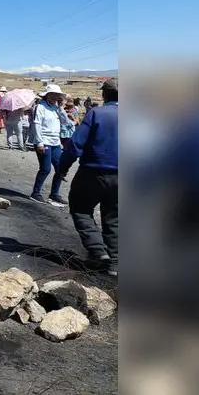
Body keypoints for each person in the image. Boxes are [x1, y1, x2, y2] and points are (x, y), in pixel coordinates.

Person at [57, 79, 118, 276]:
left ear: (104, 95)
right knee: (115, 217)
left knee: (81, 209)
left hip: (92, 173)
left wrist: (63, 167)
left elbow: (75, 144)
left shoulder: (96, 113)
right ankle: (115, 263)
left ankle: (98, 251)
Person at [30, 84, 73, 205]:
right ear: (47, 95)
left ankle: (54, 194)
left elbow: (66, 122)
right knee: (45, 169)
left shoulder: (56, 108)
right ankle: (36, 193)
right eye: (53, 94)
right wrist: (39, 142)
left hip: (55, 142)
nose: (55, 97)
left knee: (61, 169)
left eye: (57, 95)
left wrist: (61, 109)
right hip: (44, 141)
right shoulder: (40, 107)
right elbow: (37, 124)